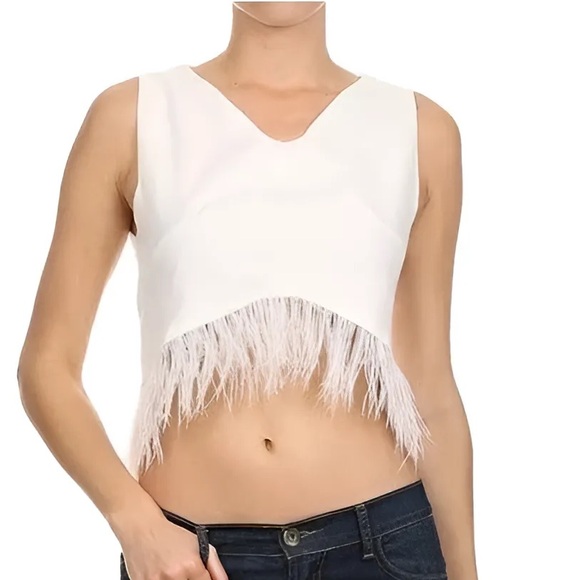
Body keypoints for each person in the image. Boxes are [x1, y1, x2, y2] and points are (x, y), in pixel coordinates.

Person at [17, 2, 477, 579]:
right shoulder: (132, 117)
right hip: (192, 559)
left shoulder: (420, 130)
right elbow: (47, 367)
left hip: (382, 549)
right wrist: (136, 523)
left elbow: (431, 389)